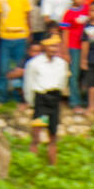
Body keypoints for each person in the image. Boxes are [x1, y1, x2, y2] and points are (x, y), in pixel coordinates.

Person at [24, 33, 68, 166]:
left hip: (54, 99)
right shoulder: (34, 63)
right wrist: (32, 102)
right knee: (36, 133)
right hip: (41, 100)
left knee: (53, 135)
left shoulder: (62, 63)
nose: (54, 49)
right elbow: (29, 83)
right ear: (44, 46)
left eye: (56, 46)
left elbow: (63, 81)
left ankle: (52, 165)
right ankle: (31, 164)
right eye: (51, 46)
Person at [0, 0, 31, 103]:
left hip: (20, 37)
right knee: (3, 67)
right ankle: (2, 96)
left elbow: (27, 17)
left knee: (18, 69)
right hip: (5, 37)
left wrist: (29, 33)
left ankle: (18, 96)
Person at [60, 0, 89, 109]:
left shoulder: (87, 9)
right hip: (73, 46)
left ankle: (87, 99)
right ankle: (74, 101)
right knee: (74, 74)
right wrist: (65, 51)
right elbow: (65, 33)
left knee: (86, 74)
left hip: (87, 46)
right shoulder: (68, 14)